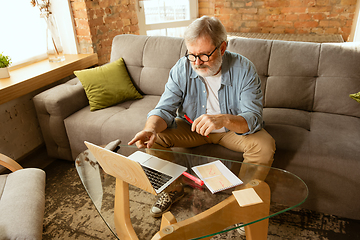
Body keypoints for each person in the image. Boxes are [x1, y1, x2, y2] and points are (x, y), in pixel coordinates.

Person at [128, 16, 276, 218]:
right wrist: (150, 128)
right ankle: (172, 189)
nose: (197, 63)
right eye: (192, 55)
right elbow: (164, 109)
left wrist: (222, 119)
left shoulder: (244, 69)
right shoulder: (182, 67)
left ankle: (242, 203)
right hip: (192, 128)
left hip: (230, 130)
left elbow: (253, 118)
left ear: (222, 48)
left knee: (264, 145)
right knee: (154, 138)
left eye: (205, 55)